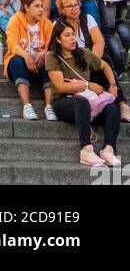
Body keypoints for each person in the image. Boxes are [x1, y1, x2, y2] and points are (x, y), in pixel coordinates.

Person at [45, 20, 122, 167]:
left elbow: (105, 66)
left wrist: (112, 85)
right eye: (67, 35)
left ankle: (108, 149)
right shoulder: (52, 56)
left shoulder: (84, 54)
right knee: (81, 103)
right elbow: (61, 87)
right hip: (64, 102)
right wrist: (87, 85)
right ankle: (86, 150)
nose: (73, 38)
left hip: (89, 103)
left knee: (113, 108)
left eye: (73, 34)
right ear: (58, 39)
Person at [4, 0, 56, 120]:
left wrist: (45, 53)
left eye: (42, 6)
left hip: (40, 65)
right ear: (27, 7)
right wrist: (26, 56)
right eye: (37, 6)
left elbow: (53, 46)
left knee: (51, 59)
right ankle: (26, 106)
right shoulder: (15, 20)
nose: (41, 10)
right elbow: (12, 44)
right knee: (17, 60)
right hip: (20, 66)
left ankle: (49, 106)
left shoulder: (47, 23)